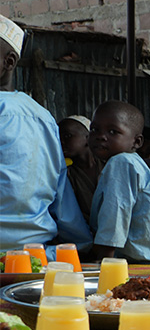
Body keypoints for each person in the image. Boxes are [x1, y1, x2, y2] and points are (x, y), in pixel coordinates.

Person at [0, 13, 90, 251]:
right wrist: (81, 244)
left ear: (9, 62)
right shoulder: (43, 117)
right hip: (37, 254)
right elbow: (61, 190)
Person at [86, 101, 150, 262]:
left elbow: (115, 214)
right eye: (94, 129)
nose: (101, 136)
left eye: (113, 131)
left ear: (137, 142)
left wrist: (105, 262)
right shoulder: (131, 163)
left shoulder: (122, 162)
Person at [58, 115, 99, 222]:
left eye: (67, 136)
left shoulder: (108, 166)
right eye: (57, 137)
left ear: (88, 137)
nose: (61, 141)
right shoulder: (66, 175)